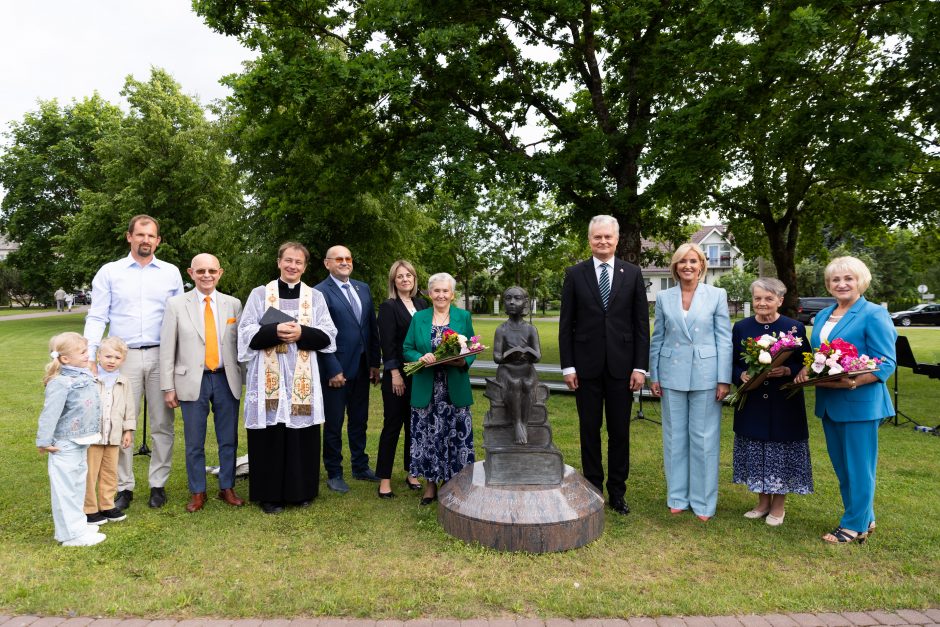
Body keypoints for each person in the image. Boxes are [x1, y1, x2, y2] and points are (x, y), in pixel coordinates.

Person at [793, 256, 897, 544]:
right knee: (843, 468)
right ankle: (866, 517)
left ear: (860, 281)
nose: (841, 284)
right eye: (836, 279)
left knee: (859, 468)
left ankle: (853, 526)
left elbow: (886, 363)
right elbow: (821, 356)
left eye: (848, 278)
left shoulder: (874, 314)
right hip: (830, 402)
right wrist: (807, 367)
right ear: (828, 284)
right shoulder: (825, 315)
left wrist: (851, 380)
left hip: (860, 403)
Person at [83, 214, 183, 510]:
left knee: (163, 423)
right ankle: (123, 486)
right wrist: (90, 357)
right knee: (120, 421)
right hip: (120, 358)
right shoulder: (110, 272)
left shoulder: (170, 273)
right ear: (129, 237)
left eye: (151, 236)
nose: (145, 240)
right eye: (140, 235)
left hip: (160, 355)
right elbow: (98, 315)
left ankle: (158, 484)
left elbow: (179, 318)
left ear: (158, 240)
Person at [558, 215, 650, 516]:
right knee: (589, 430)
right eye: (597, 237)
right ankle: (593, 488)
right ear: (589, 240)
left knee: (620, 432)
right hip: (585, 369)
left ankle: (617, 492)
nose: (603, 241)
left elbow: (640, 325)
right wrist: (568, 367)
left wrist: (640, 367)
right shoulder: (575, 274)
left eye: (608, 237)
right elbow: (565, 324)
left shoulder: (633, 273)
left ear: (617, 239)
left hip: (623, 370)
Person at [238, 242, 337, 514]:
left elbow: (328, 335)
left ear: (305, 267)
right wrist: (275, 330)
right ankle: (269, 495)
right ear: (279, 262)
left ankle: (300, 491)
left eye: (299, 262)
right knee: (270, 433)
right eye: (288, 261)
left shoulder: (314, 297)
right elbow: (245, 333)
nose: (293, 266)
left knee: (300, 433)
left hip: (301, 377)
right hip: (268, 377)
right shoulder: (260, 294)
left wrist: (301, 333)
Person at [649, 243, 732, 521]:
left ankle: (704, 502)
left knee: (704, 439)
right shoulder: (663, 297)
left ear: (701, 266)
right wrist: (655, 374)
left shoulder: (717, 295)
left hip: (707, 375)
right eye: (682, 261)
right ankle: (677, 497)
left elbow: (724, 339)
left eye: (693, 261)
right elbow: (657, 338)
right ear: (675, 266)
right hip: (671, 374)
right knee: (674, 438)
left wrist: (724, 378)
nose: (688, 266)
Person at [160, 253, 245, 513]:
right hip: (191, 381)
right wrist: (168, 386)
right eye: (201, 271)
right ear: (191, 273)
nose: (206, 275)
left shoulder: (233, 304)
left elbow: (241, 346)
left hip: (225, 379)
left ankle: (227, 486)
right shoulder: (176, 305)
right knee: (194, 440)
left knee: (228, 438)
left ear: (220, 273)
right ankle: (198, 491)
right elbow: (167, 348)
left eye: (211, 271)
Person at [731, 278, 812, 526]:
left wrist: (788, 370)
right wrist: (740, 375)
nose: (762, 303)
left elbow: (807, 360)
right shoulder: (741, 327)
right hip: (753, 401)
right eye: (757, 298)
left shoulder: (794, 328)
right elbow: (732, 360)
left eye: (768, 298)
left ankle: (778, 506)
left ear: (780, 300)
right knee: (758, 453)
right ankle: (762, 503)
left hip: (783, 403)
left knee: (780, 453)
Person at [403, 272, 477, 506]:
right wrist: (419, 356)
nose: (441, 295)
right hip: (427, 388)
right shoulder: (419, 318)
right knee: (428, 436)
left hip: (454, 387)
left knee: (455, 435)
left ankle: (453, 482)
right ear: (429, 293)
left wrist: (463, 360)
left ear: (452, 294)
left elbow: (472, 346)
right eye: (437, 291)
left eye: (445, 291)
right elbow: (407, 347)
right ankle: (430, 484)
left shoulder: (463, 316)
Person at [315, 245, 381, 494]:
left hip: (363, 369)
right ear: (327, 263)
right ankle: (334, 472)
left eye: (348, 258)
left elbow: (370, 328)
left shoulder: (362, 288)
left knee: (359, 421)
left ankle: (360, 466)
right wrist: (332, 368)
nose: (344, 262)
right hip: (336, 371)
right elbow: (320, 334)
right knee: (333, 423)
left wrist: (374, 363)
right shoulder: (319, 293)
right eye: (338, 259)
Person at [35, 332, 104, 546]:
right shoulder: (62, 382)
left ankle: (78, 525)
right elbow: (50, 414)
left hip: (80, 440)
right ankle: (71, 535)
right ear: (65, 359)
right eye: (82, 352)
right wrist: (44, 441)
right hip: (64, 443)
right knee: (65, 489)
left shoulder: (82, 375)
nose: (87, 355)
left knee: (76, 486)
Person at [375, 260, 428, 498]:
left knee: (415, 426)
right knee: (393, 426)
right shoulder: (388, 307)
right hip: (398, 376)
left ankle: (412, 472)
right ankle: (384, 480)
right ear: (393, 281)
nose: (405, 279)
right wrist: (394, 373)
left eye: (409, 275)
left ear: (415, 279)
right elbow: (387, 344)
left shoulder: (422, 304)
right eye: (400, 276)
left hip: (421, 376)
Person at [84, 336, 135, 526]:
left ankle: (107, 505)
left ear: (122, 360)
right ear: (98, 356)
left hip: (114, 436)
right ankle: (89, 509)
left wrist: (127, 430)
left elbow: (129, 408)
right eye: (107, 356)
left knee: (110, 472)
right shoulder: (90, 379)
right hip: (93, 436)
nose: (111, 361)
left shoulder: (124, 382)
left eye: (116, 357)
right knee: (90, 473)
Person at [493, 286, 541, 444]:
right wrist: (509, 356)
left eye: (517, 298)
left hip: (526, 369)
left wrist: (527, 355)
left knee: (527, 384)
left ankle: (525, 423)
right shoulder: (501, 330)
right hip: (507, 370)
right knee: (514, 383)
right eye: (508, 298)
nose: (512, 302)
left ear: (525, 302)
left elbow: (538, 356)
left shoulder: (530, 329)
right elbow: (497, 356)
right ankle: (517, 423)